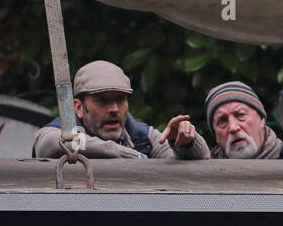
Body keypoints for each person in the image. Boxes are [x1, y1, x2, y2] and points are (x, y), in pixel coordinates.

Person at [32, 60, 209, 159]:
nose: (114, 109)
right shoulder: (61, 131)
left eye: (120, 99)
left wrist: (187, 143)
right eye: (102, 100)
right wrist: (124, 155)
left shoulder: (142, 137)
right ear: (78, 108)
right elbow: (55, 143)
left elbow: (201, 160)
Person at [206, 81, 283, 159]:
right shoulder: (205, 176)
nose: (233, 127)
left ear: (261, 119)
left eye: (240, 115)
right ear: (216, 135)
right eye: (222, 121)